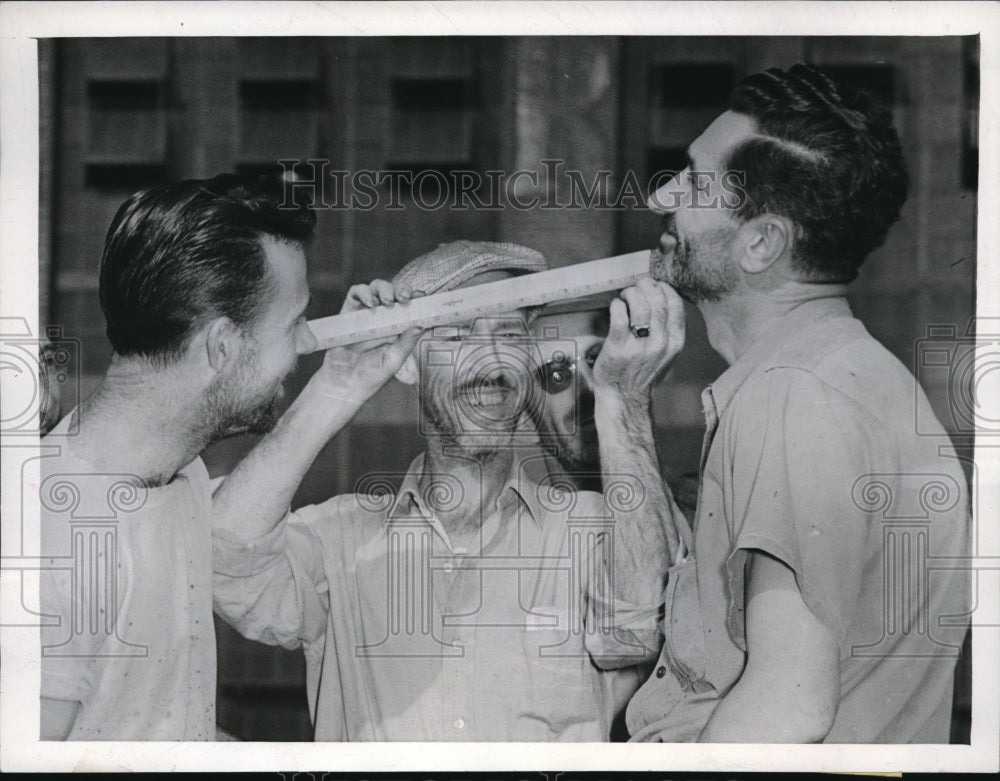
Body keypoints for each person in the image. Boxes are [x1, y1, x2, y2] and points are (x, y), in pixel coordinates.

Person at [593, 64, 971, 742]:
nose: (662, 196)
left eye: (694, 181)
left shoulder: (794, 395)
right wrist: (620, 402)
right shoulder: (846, 376)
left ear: (762, 242)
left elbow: (788, 703)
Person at [212, 240, 670, 741]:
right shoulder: (337, 543)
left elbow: (634, 633)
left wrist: (623, 399)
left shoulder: (590, 528)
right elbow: (224, 556)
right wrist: (337, 386)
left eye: (511, 334)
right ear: (407, 364)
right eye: (457, 335)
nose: (491, 360)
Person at [39, 174, 420, 740]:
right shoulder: (55, 543)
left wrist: (340, 383)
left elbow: (145, 730)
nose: (308, 343)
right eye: (293, 324)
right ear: (221, 346)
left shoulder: (175, 474)